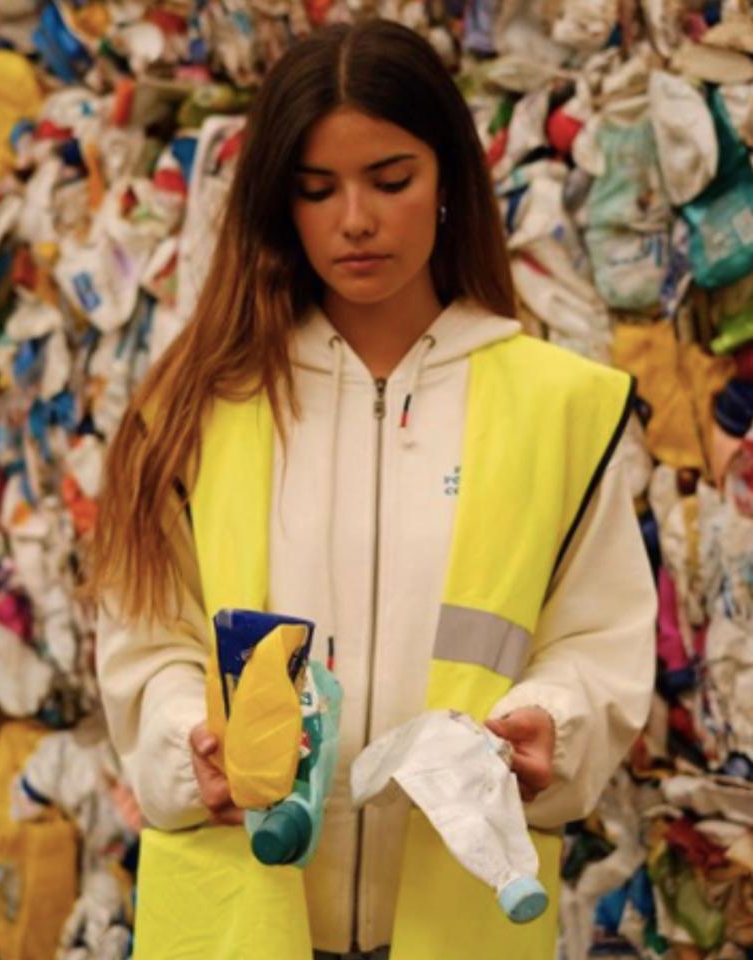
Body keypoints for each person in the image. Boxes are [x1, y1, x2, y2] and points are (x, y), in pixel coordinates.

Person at [88, 20, 656, 960]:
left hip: (463, 919)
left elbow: (599, 643)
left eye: (391, 181)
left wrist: (553, 723)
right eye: (318, 191)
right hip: (240, 920)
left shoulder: (563, 406)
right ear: (280, 204)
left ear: (448, 186)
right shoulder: (192, 408)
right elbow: (147, 651)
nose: (356, 219)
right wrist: (196, 745)